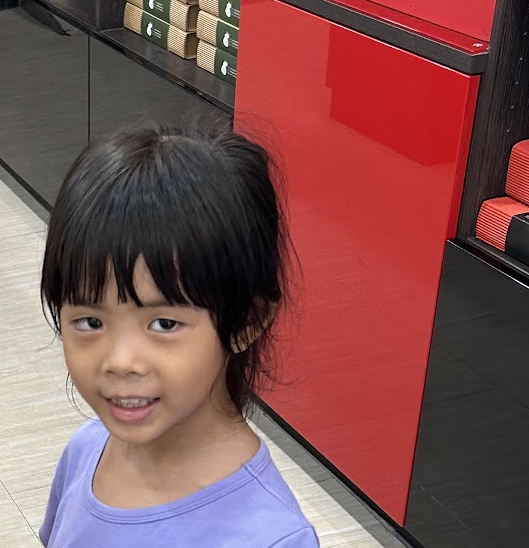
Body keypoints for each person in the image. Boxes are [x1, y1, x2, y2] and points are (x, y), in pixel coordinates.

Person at [38, 125, 319, 548]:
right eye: (91, 322)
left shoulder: (271, 539)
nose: (120, 361)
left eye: (164, 324)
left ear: (247, 321)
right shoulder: (88, 448)